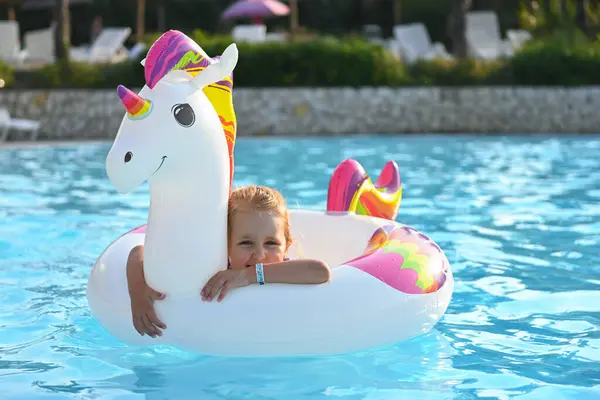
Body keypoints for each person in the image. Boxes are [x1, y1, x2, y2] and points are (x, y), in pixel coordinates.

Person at [126, 185, 331, 337]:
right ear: (225, 244)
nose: (259, 255)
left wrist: (248, 276)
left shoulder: (285, 268)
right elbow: (139, 252)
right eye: (246, 243)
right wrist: (138, 292)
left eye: (271, 243)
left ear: (286, 245)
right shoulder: (216, 264)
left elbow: (320, 271)